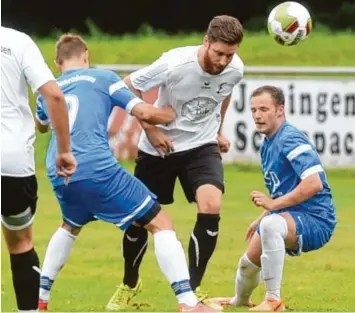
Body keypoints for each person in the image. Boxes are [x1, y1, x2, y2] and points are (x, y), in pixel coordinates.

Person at [36, 33, 219, 313]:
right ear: (86, 54)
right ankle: (188, 302)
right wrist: (169, 114)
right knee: (161, 224)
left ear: (57, 62)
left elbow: (42, 125)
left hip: (59, 170)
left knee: (70, 224)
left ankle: (41, 300)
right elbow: (143, 111)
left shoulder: (48, 89)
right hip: (97, 167)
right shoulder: (102, 78)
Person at [106, 14, 244, 310]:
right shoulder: (175, 63)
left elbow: (226, 92)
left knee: (211, 204)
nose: (222, 61)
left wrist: (218, 130)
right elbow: (127, 86)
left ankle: (191, 293)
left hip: (201, 146)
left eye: (230, 55)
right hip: (159, 150)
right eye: (218, 53)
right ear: (206, 41)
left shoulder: (235, 69)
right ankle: (129, 283)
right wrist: (151, 129)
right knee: (139, 221)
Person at [207, 85, 337, 311]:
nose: (257, 115)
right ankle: (240, 299)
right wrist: (263, 215)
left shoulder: (290, 139)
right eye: (253, 110)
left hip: (317, 219)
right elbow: (283, 190)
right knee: (248, 264)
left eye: (264, 109)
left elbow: (314, 183)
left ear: (280, 110)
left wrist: (273, 207)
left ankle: (274, 300)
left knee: (271, 225)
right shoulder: (268, 142)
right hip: (291, 215)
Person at [1, 26, 77, 311]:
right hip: (11, 161)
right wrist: (65, 150)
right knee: (21, 244)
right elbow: (54, 96)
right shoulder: (17, 41)